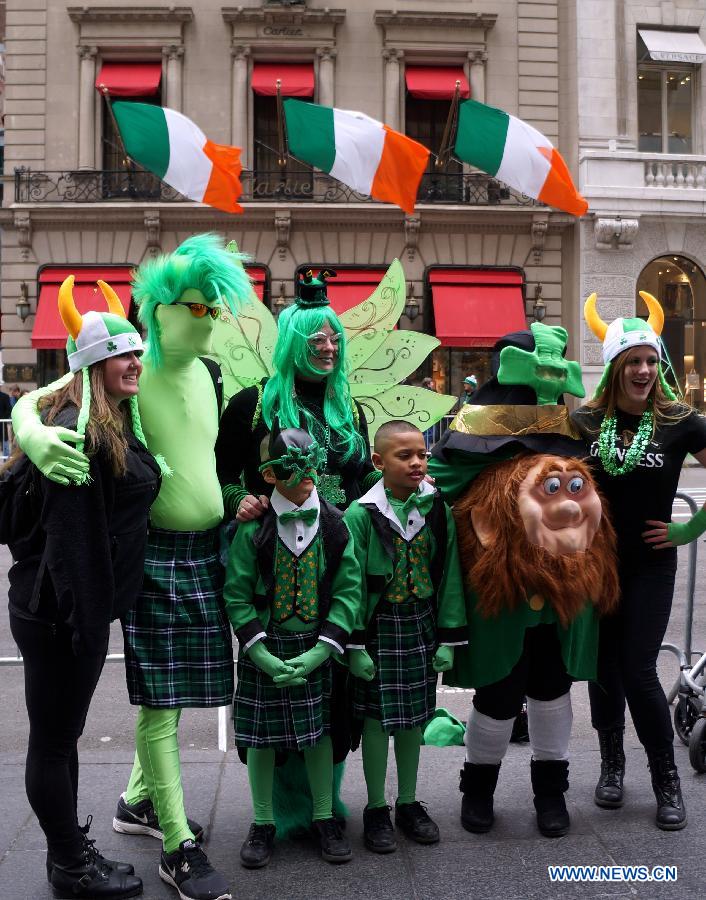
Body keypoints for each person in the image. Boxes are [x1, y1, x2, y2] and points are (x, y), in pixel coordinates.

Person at [12, 234, 252, 900]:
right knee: (156, 707)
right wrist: (27, 431)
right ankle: (175, 846)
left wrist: (237, 501)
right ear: (159, 306)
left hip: (203, 552)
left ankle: (137, 802)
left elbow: (209, 461)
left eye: (213, 310)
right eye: (194, 308)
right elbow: (45, 398)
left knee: (170, 701)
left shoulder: (200, 376)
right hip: (130, 565)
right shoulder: (117, 386)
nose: (206, 320)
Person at [430, 323, 619, 839]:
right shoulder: (473, 434)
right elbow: (438, 480)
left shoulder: (574, 429)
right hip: (504, 592)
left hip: (562, 592)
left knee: (554, 692)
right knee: (497, 693)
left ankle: (551, 794)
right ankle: (478, 791)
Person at [6, 276, 160, 899]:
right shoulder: (80, 433)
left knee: (60, 736)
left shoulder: (108, 420)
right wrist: (88, 625)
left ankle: (67, 851)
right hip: (62, 614)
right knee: (52, 739)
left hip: (67, 610)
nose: (135, 363)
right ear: (95, 364)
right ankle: (69, 863)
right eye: (122, 354)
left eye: (136, 352)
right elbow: (74, 546)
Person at [574, 292, 706, 830]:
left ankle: (665, 779)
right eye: (634, 361)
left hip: (652, 566)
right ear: (614, 367)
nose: (645, 370)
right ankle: (611, 765)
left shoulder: (681, 421)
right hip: (596, 567)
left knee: (639, 672)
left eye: (652, 360)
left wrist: (690, 527)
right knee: (603, 672)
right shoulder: (583, 422)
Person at [223, 425, 361, 868]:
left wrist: (324, 649)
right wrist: (258, 652)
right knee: (261, 737)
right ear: (268, 475)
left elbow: (348, 591)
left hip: (316, 646)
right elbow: (237, 594)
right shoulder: (253, 531)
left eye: (311, 465)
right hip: (267, 644)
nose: (306, 475)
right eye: (291, 466)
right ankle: (263, 821)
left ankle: (324, 816)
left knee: (320, 733)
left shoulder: (337, 526)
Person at [344, 420, 467, 853]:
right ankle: (376, 807)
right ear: (378, 462)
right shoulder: (361, 515)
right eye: (404, 456)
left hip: (420, 625)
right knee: (377, 719)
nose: (417, 463)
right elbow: (351, 581)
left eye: (422, 454)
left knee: (415, 719)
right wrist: (354, 645)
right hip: (379, 629)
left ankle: (409, 801)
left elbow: (449, 572)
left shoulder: (437, 508)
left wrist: (448, 639)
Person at [215, 268, 377, 520]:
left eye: (336, 340)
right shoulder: (252, 403)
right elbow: (222, 474)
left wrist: (397, 477)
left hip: (344, 542)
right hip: (274, 540)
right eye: (317, 340)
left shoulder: (349, 408)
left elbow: (365, 473)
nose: (330, 348)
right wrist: (239, 500)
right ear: (293, 343)